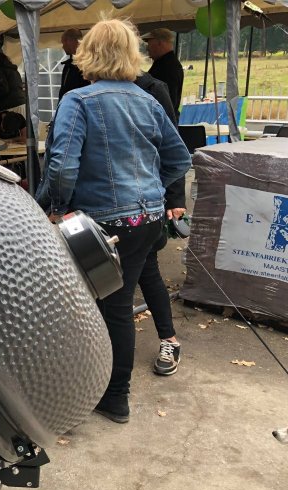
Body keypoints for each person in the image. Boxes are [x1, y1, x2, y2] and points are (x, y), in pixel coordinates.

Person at [35, 18, 191, 424]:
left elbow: (63, 165)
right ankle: (109, 392)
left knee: (96, 305)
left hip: (101, 224)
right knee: (116, 306)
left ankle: (111, 393)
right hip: (148, 221)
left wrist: (52, 206)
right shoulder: (149, 100)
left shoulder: (79, 100)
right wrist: (150, 191)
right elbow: (179, 159)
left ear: (90, 53)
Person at [134, 71, 186, 376]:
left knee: (147, 269)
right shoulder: (90, 91)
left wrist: (173, 197)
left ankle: (169, 339)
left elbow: (173, 148)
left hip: (144, 201)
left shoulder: (154, 89)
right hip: (103, 204)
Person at [141, 28, 184, 118]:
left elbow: (167, 100)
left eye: (149, 43)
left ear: (159, 43)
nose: (147, 48)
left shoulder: (168, 67)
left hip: (162, 121)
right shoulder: (165, 63)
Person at [58, 28, 90, 100]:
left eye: (64, 43)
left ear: (71, 41)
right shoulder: (69, 66)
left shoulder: (87, 64)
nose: (63, 46)